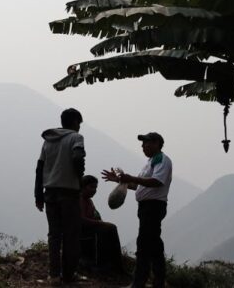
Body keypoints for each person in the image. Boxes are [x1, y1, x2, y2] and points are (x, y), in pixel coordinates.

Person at [101, 132, 172, 288]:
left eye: (146, 143)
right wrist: (121, 180)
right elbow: (140, 186)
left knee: (144, 244)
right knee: (154, 245)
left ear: (156, 143)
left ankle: (138, 283)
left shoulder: (161, 160)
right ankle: (158, 281)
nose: (142, 146)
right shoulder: (150, 162)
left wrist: (131, 178)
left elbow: (156, 182)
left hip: (153, 207)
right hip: (147, 206)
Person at [35, 108, 86, 284]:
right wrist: (79, 178)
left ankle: (54, 275)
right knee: (71, 235)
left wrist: (38, 195)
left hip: (50, 193)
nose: (79, 126)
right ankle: (69, 274)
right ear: (74, 122)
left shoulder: (48, 140)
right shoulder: (76, 138)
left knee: (54, 235)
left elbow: (40, 168)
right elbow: (78, 158)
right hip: (69, 192)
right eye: (79, 122)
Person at [80, 175, 125, 276]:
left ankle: (116, 265)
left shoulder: (89, 201)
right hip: (82, 233)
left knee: (111, 228)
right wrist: (101, 224)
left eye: (95, 188)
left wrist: (102, 224)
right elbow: (81, 220)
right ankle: (99, 265)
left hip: (91, 228)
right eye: (91, 187)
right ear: (83, 187)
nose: (94, 190)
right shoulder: (80, 200)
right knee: (105, 230)